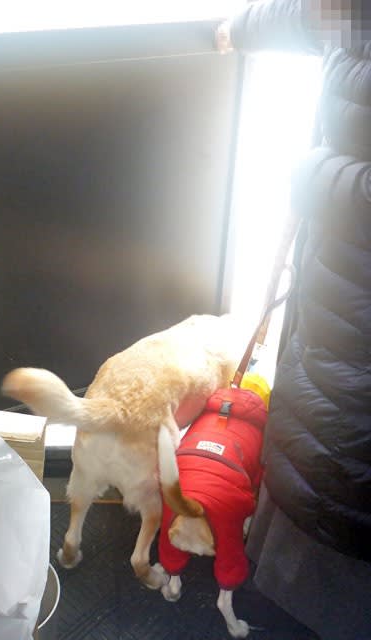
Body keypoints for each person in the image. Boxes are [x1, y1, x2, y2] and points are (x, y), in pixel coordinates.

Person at [215, 2, 371, 639]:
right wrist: (242, 28)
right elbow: (332, 14)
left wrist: (312, 172)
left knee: (344, 452)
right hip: (340, 279)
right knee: (323, 434)